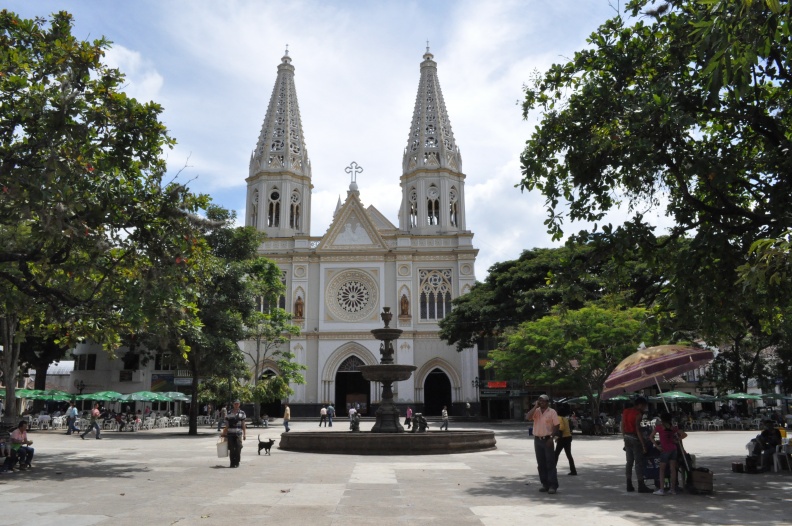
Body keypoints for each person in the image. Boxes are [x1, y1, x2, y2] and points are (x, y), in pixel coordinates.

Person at [525, 394, 560, 494]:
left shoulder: (552, 412)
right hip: (537, 440)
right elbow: (528, 417)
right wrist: (535, 406)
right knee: (541, 464)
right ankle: (545, 484)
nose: (541, 402)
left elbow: (557, 425)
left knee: (550, 463)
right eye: (539, 401)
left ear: (547, 402)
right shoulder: (536, 411)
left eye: (543, 401)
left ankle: (553, 485)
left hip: (548, 439)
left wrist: (552, 438)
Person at [649, 412, 687, 495]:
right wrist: (677, 440)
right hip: (673, 449)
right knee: (672, 469)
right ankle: (672, 489)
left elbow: (651, 436)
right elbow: (684, 434)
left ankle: (662, 489)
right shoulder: (674, 428)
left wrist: (656, 445)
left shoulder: (659, 427)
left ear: (662, 419)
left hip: (665, 450)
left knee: (662, 470)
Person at [621, 396, 652, 493]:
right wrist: (643, 444)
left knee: (629, 462)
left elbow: (622, 425)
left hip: (627, 437)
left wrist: (624, 438)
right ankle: (641, 485)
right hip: (635, 438)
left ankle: (629, 484)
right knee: (638, 463)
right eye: (644, 406)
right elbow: (638, 430)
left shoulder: (625, 411)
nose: (644, 408)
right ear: (640, 405)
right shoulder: (638, 414)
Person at [221, 399, 247, 468]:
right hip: (230, 433)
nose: (236, 405)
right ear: (233, 404)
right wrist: (224, 433)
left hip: (238, 433)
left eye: (237, 404)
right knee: (231, 449)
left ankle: (237, 461)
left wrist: (244, 434)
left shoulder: (242, 413)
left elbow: (243, 424)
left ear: (239, 404)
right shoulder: (229, 412)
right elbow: (226, 423)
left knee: (238, 447)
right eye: (235, 404)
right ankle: (232, 462)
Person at [554, 407, 577, 476]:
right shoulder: (565, 418)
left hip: (563, 438)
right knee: (569, 455)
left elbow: (561, 428)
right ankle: (573, 470)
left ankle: (553, 469)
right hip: (568, 437)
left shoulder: (559, 418)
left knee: (556, 454)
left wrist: (558, 437)